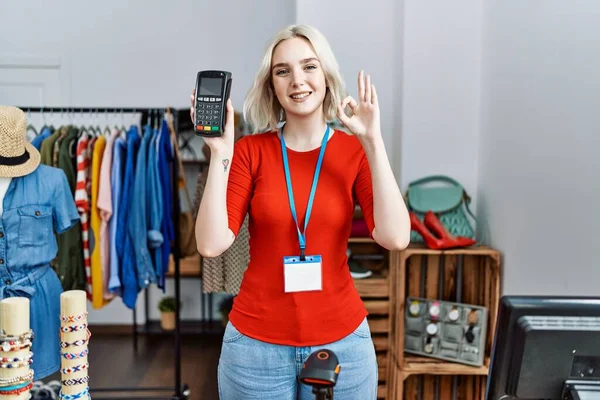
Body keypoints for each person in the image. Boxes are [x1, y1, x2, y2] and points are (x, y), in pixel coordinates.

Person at [192, 24, 410, 400]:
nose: (297, 80)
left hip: (342, 343)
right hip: (254, 348)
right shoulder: (249, 151)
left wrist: (373, 142)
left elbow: (395, 237)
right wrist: (220, 153)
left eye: (309, 66)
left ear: (325, 76)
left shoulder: (354, 152)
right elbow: (211, 244)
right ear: (272, 86)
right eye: (283, 71)